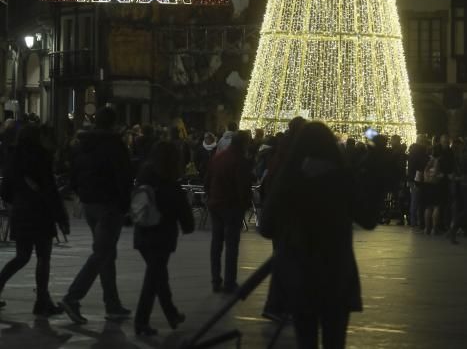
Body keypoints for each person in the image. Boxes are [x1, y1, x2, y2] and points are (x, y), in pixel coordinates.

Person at [260, 121, 382, 349]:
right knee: (335, 341)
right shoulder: (343, 179)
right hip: (336, 272)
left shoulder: (290, 178)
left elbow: (266, 227)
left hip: (300, 273)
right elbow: (368, 219)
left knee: (305, 340)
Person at [61, 106, 133, 324]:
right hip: (109, 204)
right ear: (113, 123)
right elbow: (123, 176)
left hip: (90, 202)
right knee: (102, 253)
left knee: (106, 253)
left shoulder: (83, 144)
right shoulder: (114, 145)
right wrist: (125, 205)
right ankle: (73, 297)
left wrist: (80, 191)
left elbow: (73, 172)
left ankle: (112, 303)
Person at [0, 124, 69, 316]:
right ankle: (41, 301)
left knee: (22, 256)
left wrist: (19, 197)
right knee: (43, 257)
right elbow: (50, 190)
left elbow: (5, 191)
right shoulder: (41, 157)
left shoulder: (13, 158)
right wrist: (61, 217)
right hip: (41, 212)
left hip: (21, 212)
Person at [133, 141, 194, 336]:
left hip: (143, 233)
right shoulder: (170, 184)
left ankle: (171, 314)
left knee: (157, 276)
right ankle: (143, 321)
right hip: (161, 237)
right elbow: (183, 212)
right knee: (154, 278)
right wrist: (187, 226)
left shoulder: (144, 177)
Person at [205, 130, 252, 293]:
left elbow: (208, 179)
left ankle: (215, 280)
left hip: (216, 203)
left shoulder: (218, 157)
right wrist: (244, 203)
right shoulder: (240, 160)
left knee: (216, 243)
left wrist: (210, 196)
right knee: (232, 246)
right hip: (231, 206)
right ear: (244, 144)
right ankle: (229, 282)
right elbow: (242, 186)